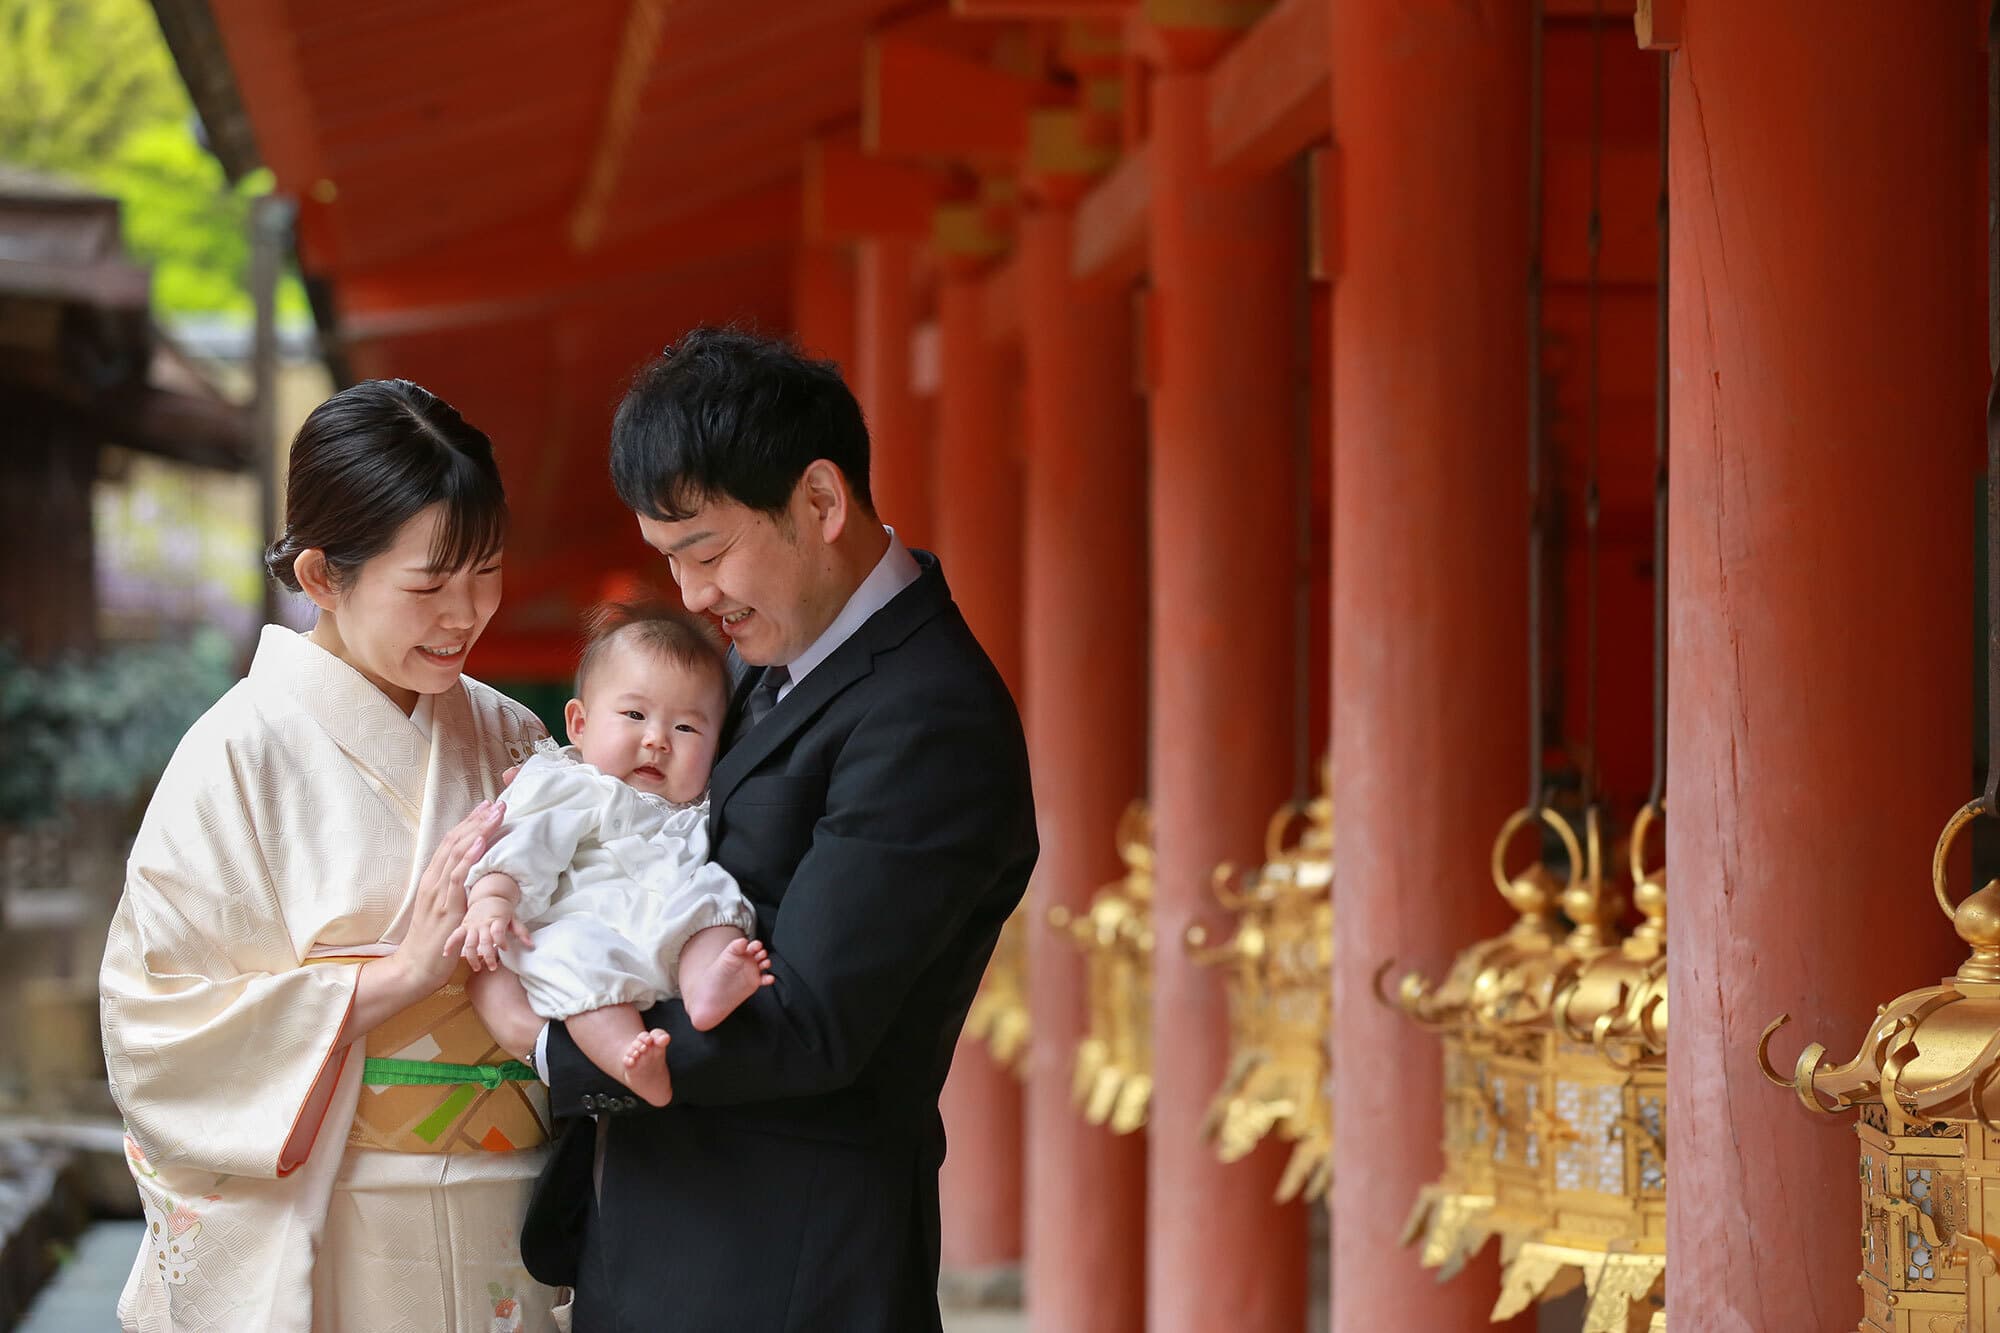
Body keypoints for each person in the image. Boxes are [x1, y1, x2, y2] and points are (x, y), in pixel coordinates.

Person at [519, 327, 1039, 1332]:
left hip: (786, 1271)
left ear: (819, 501)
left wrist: (548, 1046)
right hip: (667, 1239)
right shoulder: (762, 660)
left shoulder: (929, 715)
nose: (691, 596)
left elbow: (807, 1022)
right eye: (669, 561)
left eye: (705, 551)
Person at [100, 379, 562, 1332]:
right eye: (429, 585)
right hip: (342, 1223)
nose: (466, 614)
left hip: (513, 1208)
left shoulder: (514, 739)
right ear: (321, 577)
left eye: (486, 573)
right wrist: (399, 976)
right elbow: (153, 1030)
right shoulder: (237, 753)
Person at [451, 602, 775, 1108]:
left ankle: (708, 986)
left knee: (713, 899)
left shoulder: (705, 802)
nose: (657, 740)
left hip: (668, 920)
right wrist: (492, 900)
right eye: (634, 715)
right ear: (578, 724)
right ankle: (628, 1055)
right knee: (576, 959)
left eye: (687, 729)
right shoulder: (566, 784)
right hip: (591, 924)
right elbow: (523, 842)